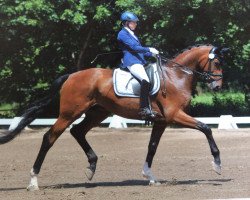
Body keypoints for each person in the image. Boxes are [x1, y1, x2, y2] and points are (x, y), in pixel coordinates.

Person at [117, 11, 159, 120]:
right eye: (133, 22)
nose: (135, 24)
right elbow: (134, 48)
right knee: (146, 80)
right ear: (126, 23)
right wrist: (149, 48)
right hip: (131, 62)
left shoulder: (132, 34)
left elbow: (140, 51)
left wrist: (152, 54)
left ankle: (151, 106)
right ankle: (143, 108)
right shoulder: (122, 34)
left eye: (135, 22)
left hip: (139, 61)